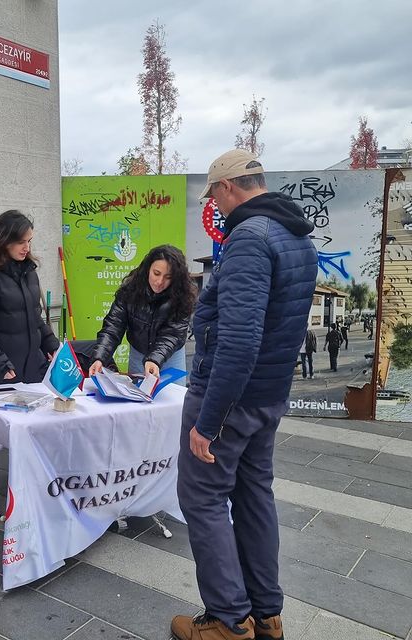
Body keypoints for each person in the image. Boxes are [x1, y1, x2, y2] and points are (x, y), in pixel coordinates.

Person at [171, 149, 318, 640]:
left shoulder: (249, 239)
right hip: (269, 395)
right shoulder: (296, 236)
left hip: (231, 397)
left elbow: (238, 341)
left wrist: (207, 423)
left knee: (202, 496)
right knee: (255, 494)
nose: (215, 204)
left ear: (229, 186)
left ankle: (228, 621)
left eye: (214, 194)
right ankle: (266, 613)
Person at [0, 210, 59, 520]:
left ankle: (28, 489)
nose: (26, 247)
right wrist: (0, 363)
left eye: (29, 241)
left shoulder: (28, 271)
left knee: (30, 430)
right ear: (4, 240)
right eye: (20, 241)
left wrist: (54, 348)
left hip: (28, 371)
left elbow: (35, 319)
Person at [88, 244, 197, 381]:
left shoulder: (183, 295)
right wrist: (100, 357)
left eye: (168, 277)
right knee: (139, 398)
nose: (159, 281)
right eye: (156, 273)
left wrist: (155, 359)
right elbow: (113, 327)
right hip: (138, 354)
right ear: (147, 269)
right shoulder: (130, 289)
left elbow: (173, 334)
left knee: (173, 398)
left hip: (171, 356)